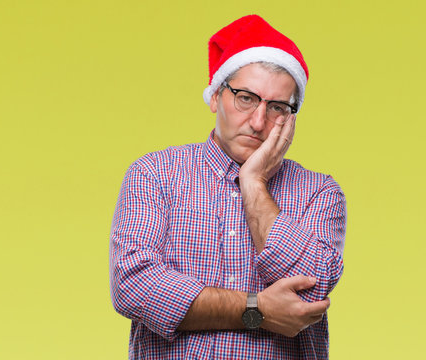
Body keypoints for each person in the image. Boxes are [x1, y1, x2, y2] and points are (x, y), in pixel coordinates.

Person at [109, 15, 346, 359]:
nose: (258, 121)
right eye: (246, 98)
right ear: (215, 97)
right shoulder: (155, 174)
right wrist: (257, 310)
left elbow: (310, 297)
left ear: (291, 118)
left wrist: (253, 183)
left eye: (277, 107)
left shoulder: (319, 192)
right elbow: (133, 286)